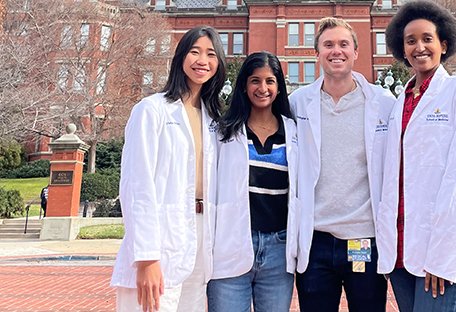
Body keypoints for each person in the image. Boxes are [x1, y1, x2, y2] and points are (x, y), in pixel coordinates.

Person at [376, 0, 456, 312]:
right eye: (410, 41)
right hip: (401, 250)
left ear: (444, 43)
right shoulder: (399, 102)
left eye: (427, 38)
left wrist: (444, 256)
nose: (419, 47)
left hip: (442, 254)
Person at [111, 26, 227, 312]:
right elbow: (137, 185)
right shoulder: (152, 110)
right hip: (161, 241)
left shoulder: (214, 118)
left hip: (202, 242)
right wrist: (147, 257)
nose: (203, 61)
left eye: (211, 54)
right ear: (180, 57)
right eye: (195, 52)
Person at [290, 17, 396, 312]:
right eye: (328, 45)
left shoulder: (384, 103)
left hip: (362, 239)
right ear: (317, 54)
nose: (336, 51)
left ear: (356, 52)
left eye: (343, 44)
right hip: (315, 241)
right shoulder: (297, 103)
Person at [207, 51, 298, 312]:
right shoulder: (224, 131)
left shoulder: (293, 131)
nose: (263, 88)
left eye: (270, 81)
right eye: (255, 80)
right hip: (231, 245)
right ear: (244, 87)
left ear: (279, 87)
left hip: (278, 252)